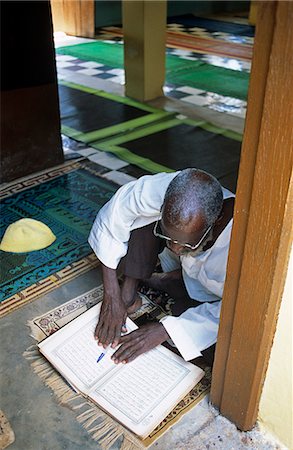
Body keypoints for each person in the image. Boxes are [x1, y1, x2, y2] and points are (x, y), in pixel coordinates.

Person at [88, 168, 235, 364]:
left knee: (223, 351)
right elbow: (114, 215)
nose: (174, 248)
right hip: (185, 266)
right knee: (141, 218)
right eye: (167, 237)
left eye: (186, 244)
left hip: (219, 290)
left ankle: (172, 279)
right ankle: (130, 293)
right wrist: (112, 294)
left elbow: (242, 309)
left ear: (217, 222)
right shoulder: (163, 189)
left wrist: (165, 330)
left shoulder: (244, 241)